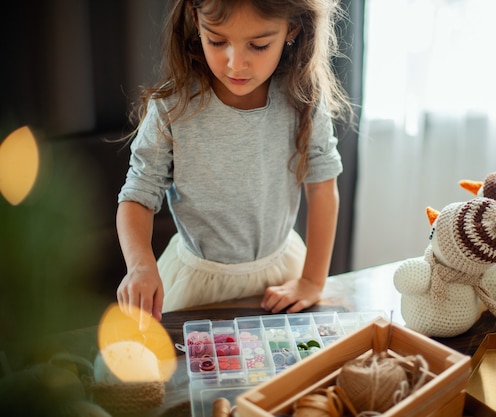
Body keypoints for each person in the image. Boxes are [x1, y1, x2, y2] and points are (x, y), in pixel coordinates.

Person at [116, 0, 353, 330]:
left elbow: (323, 187)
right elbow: (138, 195)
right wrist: (140, 264)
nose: (235, 63)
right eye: (216, 41)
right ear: (196, 22)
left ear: (293, 30)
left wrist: (312, 280)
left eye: (258, 45)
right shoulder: (172, 108)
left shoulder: (303, 100)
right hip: (196, 284)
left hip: (281, 274)